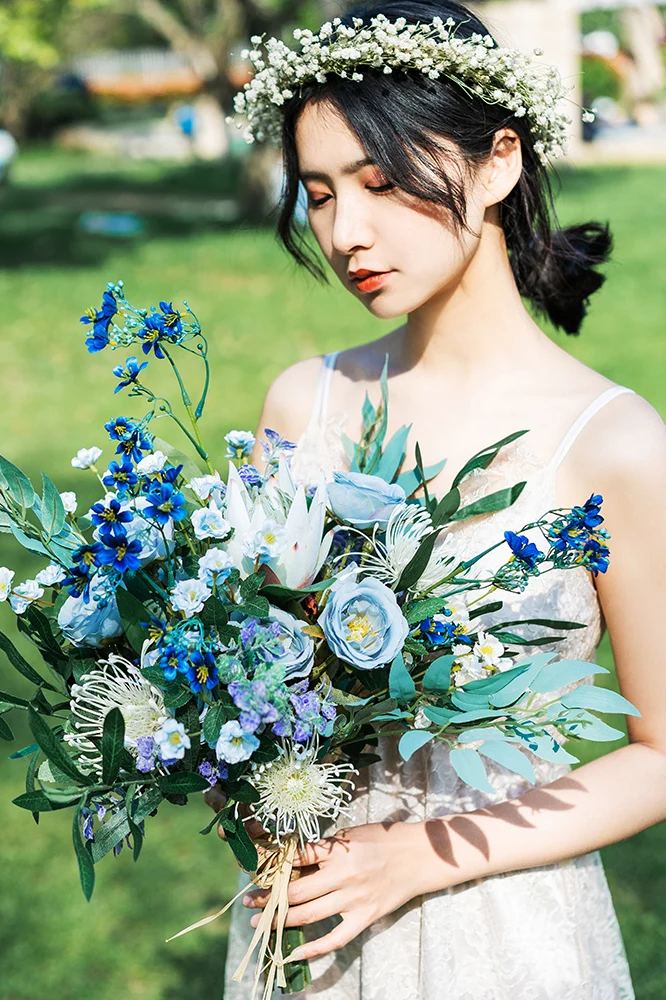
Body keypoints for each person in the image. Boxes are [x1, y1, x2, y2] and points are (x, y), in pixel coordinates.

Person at [217, 2, 666, 997]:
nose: (345, 231)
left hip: (505, 920)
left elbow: (662, 754)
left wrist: (422, 856)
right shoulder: (305, 402)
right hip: (313, 913)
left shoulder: (616, 443)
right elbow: (252, 674)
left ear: (499, 162)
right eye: (321, 193)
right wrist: (241, 779)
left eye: (381, 184)